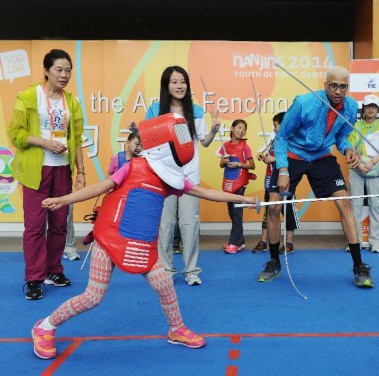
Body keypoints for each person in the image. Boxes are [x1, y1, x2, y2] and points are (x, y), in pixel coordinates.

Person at [31, 114, 258, 360]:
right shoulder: (131, 166)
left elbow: (206, 193)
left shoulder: (171, 179)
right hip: (110, 238)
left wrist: (243, 199)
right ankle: (45, 327)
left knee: (164, 283)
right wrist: (62, 200)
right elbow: (100, 188)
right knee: (93, 296)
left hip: (142, 244)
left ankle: (176, 329)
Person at [257, 66, 374, 287]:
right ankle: (273, 261)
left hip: (321, 156)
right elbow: (281, 137)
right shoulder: (304, 103)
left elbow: (341, 136)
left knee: (344, 203)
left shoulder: (350, 106)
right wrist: (282, 169)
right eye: (333, 85)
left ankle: (359, 266)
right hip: (293, 155)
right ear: (325, 85)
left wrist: (347, 148)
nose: (338, 90)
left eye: (343, 86)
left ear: (347, 87)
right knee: (273, 206)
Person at [8, 49, 85, 300]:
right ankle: (34, 278)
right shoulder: (30, 96)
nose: (64, 75)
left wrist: (81, 171)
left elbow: (76, 139)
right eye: (58, 70)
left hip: (62, 169)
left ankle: (54, 270)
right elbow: (16, 134)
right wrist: (44, 142)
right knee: (35, 227)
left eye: (68, 70)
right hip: (35, 171)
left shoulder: (71, 101)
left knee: (60, 224)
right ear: (46, 71)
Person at [145, 66, 220, 286]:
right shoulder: (155, 110)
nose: (179, 86)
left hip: (189, 176)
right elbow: (149, 144)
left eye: (183, 82)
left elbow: (203, 143)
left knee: (189, 225)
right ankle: (166, 270)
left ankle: (191, 271)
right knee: (165, 225)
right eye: (174, 82)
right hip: (163, 177)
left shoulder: (195, 110)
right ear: (166, 85)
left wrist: (214, 131)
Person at [253, 112, 300, 254]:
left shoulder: (292, 139)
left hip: (285, 180)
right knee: (268, 209)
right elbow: (263, 150)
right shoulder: (273, 138)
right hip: (270, 178)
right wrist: (263, 155)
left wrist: (273, 159)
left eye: (275, 126)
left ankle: (289, 243)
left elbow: (292, 156)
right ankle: (263, 241)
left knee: (288, 210)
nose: (273, 129)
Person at [348, 95, 379, 253]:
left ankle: (376, 242)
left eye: (373, 106)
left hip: (375, 165)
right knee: (355, 206)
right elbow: (350, 147)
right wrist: (359, 164)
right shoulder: (355, 125)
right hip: (356, 166)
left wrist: (371, 163)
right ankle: (355, 242)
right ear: (363, 109)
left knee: (376, 205)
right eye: (367, 106)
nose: (370, 109)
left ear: (378, 109)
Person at [217, 119, 256, 254]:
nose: (241, 131)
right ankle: (240, 241)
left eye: (244, 129)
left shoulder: (245, 146)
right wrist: (224, 160)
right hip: (228, 183)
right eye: (239, 128)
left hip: (239, 183)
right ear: (232, 128)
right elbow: (221, 165)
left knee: (237, 213)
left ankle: (234, 243)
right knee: (232, 213)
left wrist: (239, 164)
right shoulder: (225, 145)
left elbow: (252, 165)